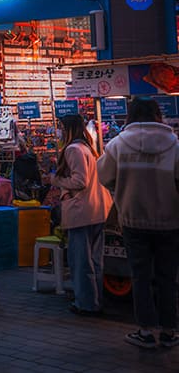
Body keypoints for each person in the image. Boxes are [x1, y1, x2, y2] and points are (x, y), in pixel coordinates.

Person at [97, 97, 179, 349]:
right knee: (168, 277)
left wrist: (121, 190)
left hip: (133, 220)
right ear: (158, 115)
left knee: (140, 276)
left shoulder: (119, 144)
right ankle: (169, 331)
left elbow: (104, 176)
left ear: (130, 115)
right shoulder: (174, 143)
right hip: (169, 221)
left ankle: (145, 331)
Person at [48, 114, 112, 316]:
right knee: (94, 261)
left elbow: (80, 181)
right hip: (97, 210)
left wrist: (55, 180)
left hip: (82, 212)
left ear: (67, 129)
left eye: (59, 128)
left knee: (81, 261)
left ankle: (86, 304)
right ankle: (95, 300)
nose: (57, 132)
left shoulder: (73, 150)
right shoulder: (87, 147)